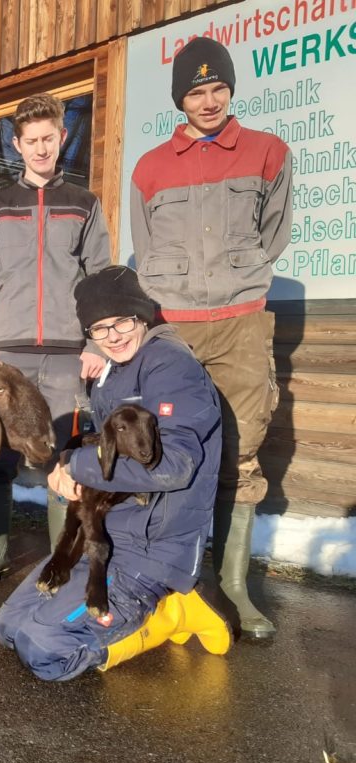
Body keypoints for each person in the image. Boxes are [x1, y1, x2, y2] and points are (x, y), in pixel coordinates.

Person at [0, 265, 232, 681]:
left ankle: (169, 612)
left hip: (150, 552)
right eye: (99, 329)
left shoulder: (170, 367)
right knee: (8, 627)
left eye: (122, 321)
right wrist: (65, 463)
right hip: (104, 540)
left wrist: (77, 467)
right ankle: (152, 607)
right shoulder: (113, 371)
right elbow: (99, 442)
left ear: (142, 315)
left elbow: (175, 466)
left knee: (45, 653)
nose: (113, 336)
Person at [130, 38, 292, 639]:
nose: (208, 100)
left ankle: (232, 586)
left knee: (240, 449)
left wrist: (236, 276)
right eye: (195, 91)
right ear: (181, 98)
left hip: (242, 322)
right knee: (166, 447)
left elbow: (271, 235)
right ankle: (169, 577)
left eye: (217, 88)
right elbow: (145, 249)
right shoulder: (150, 168)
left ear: (230, 89)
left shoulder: (268, 153)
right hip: (174, 326)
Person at [0, 93, 111, 587]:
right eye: (31, 141)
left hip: (67, 355)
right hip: (7, 355)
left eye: (49, 138)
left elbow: (101, 280)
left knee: (61, 459)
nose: (41, 148)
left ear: (62, 138)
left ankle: (57, 562)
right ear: (17, 144)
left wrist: (97, 345)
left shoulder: (84, 204)